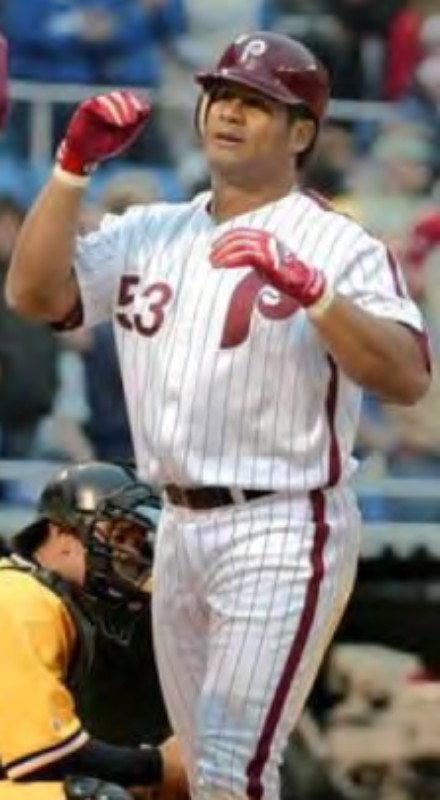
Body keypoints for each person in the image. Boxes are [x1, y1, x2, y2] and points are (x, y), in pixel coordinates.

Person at [5, 29, 431, 800]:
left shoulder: (339, 244)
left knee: (233, 769)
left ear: (301, 132)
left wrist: (316, 293)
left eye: (257, 103)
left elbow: (404, 377)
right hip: (177, 523)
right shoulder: (150, 229)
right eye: (221, 95)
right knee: (199, 771)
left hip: (281, 521)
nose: (229, 112)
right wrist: (70, 170)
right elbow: (34, 295)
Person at [0, 461, 188, 800]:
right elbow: (45, 758)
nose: (129, 554)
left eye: (136, 542)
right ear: (61, 537)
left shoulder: (46, 599)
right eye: (119, 537)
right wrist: (158, 766)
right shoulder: (23, 598)